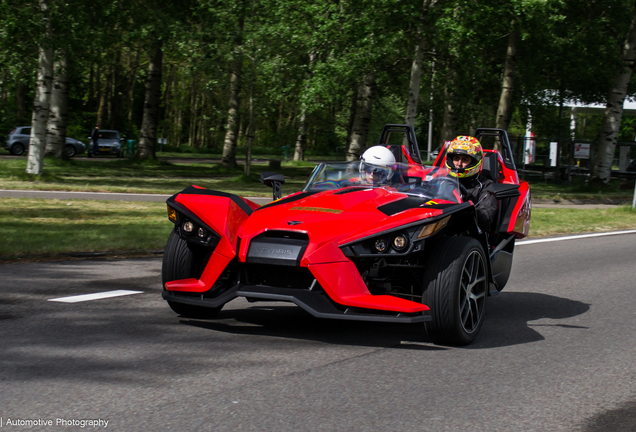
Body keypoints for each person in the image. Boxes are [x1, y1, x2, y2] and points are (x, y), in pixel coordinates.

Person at [445, 135, 498, 233]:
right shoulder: (443, 180)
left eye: (465, 159)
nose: (459, 164)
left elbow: (486, 219)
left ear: (474, 161)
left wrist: (468, 208)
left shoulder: (486, 185)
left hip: (467, 234)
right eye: (456, 158)